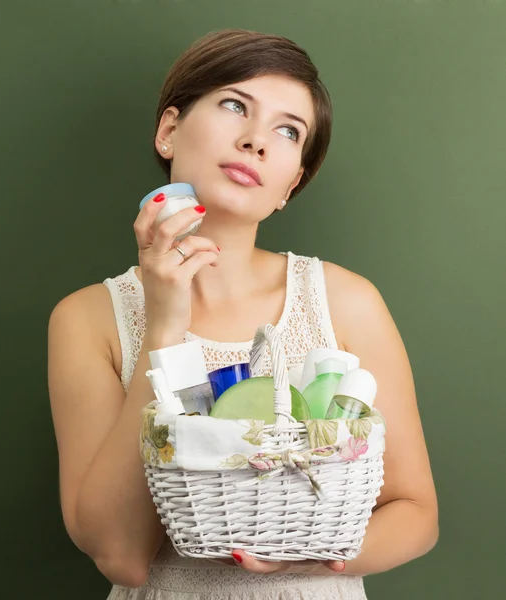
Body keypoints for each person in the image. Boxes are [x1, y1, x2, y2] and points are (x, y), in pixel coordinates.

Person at [48, 29, 438, 600]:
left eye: (288, 131)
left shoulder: (346, 301)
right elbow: (122, 556)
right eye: (235, 105)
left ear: (291, 184)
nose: (257, 140)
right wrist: (164, 326)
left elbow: (417, 514)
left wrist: (298, 560)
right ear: (168, 130)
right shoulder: (86, 319)